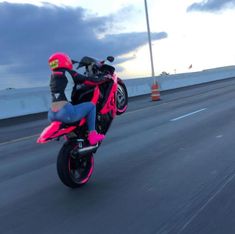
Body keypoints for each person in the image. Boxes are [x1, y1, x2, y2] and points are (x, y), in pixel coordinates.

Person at [47, 52, 108, 145]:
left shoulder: (52, 76)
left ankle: (71, 139)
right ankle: (92, 135)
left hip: (52, 114)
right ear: (65, 61)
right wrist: (104, 78)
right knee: (91, 106)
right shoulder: (69, 73)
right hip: (65, 112)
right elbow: (89, 81)